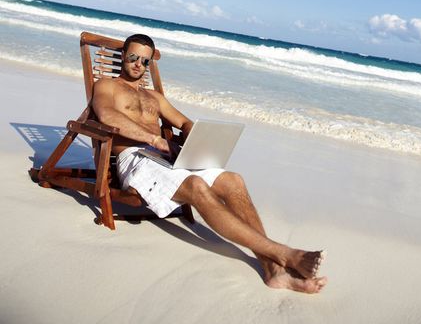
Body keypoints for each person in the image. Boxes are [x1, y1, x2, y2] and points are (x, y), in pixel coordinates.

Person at [92, 33, 328, 294]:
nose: (138, 64)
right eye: (133, 57)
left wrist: (197, 136)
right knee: (195, 185)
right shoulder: (106, 85)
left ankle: (273, 271)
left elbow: (183, 122)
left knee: (233, 180)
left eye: (145, 61)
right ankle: (284, 254)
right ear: (123, 55)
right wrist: (152, 138)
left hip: (166, 157)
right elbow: (106, 114)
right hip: (135, 158)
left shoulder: (154, 98)